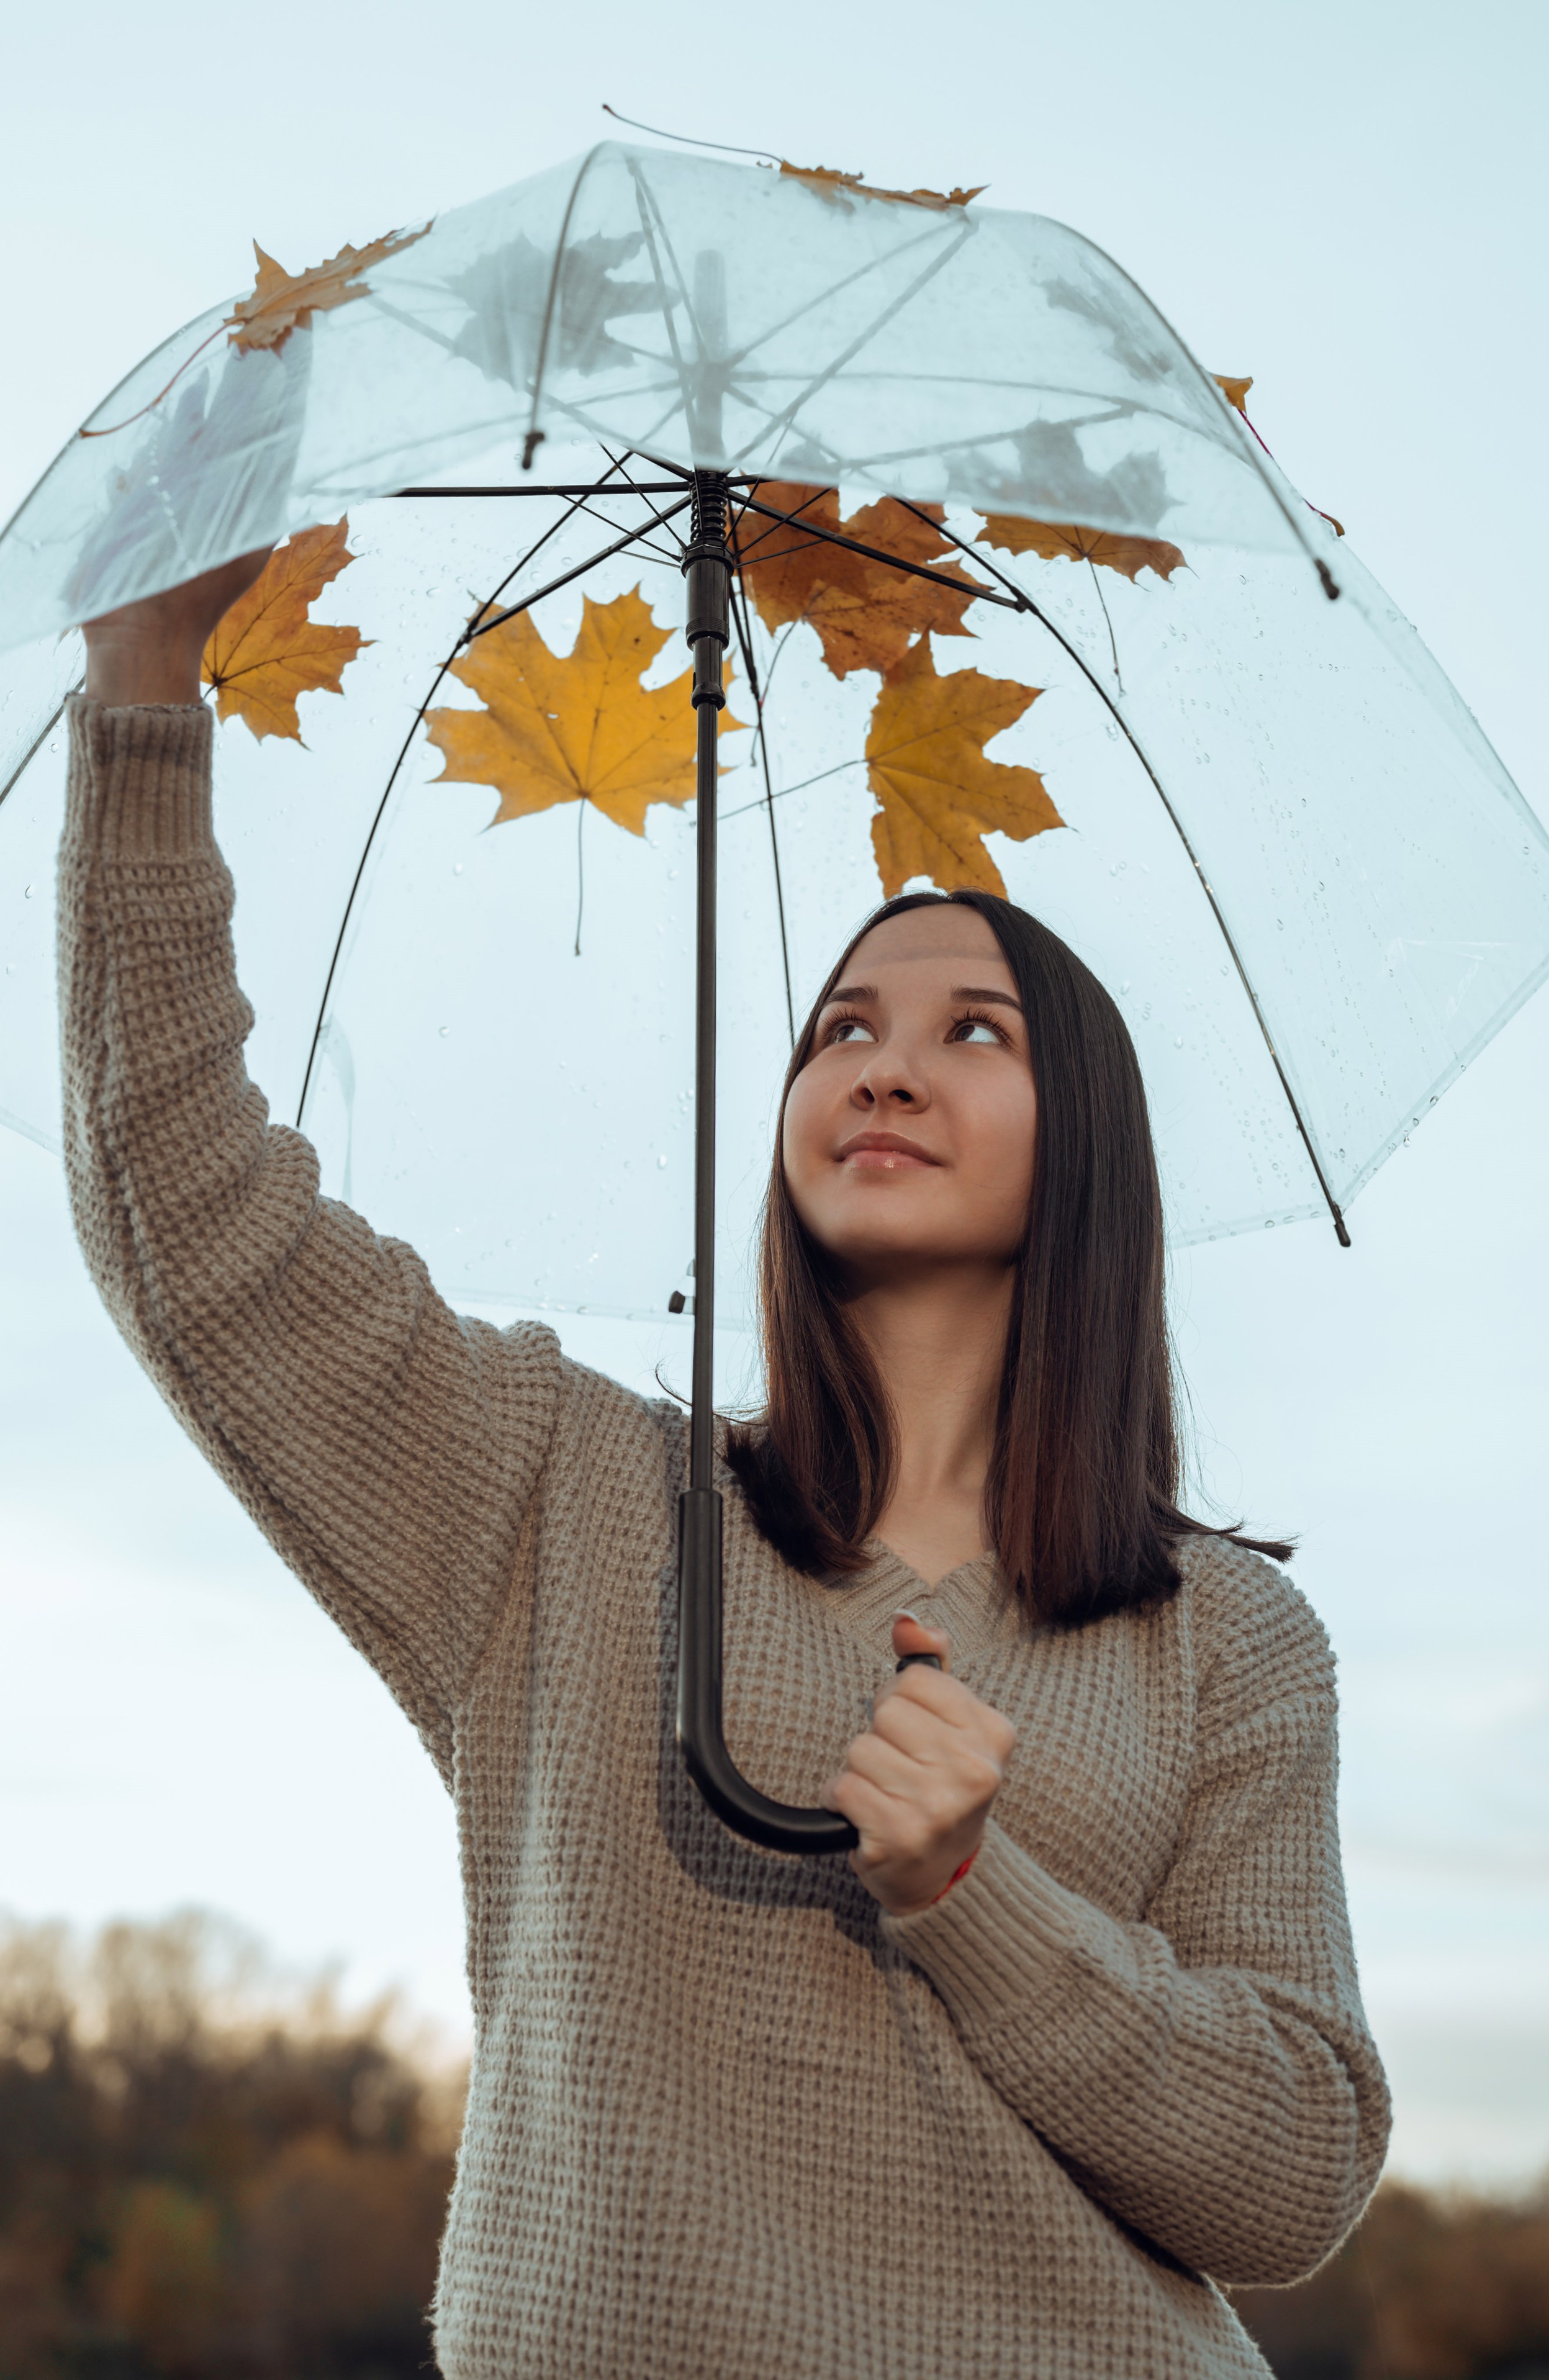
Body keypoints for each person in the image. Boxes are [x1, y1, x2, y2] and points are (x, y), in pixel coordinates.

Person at [63, 554, 1389, 2380]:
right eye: (843, 1029)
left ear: (1086, 1142)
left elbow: (1294, 2178)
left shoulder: (1226, 1638)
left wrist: (974, 1896)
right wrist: (145, 678)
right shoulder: (565, 1491)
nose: (885, 1070)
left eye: (972, 1031)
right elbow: (189, 1220)